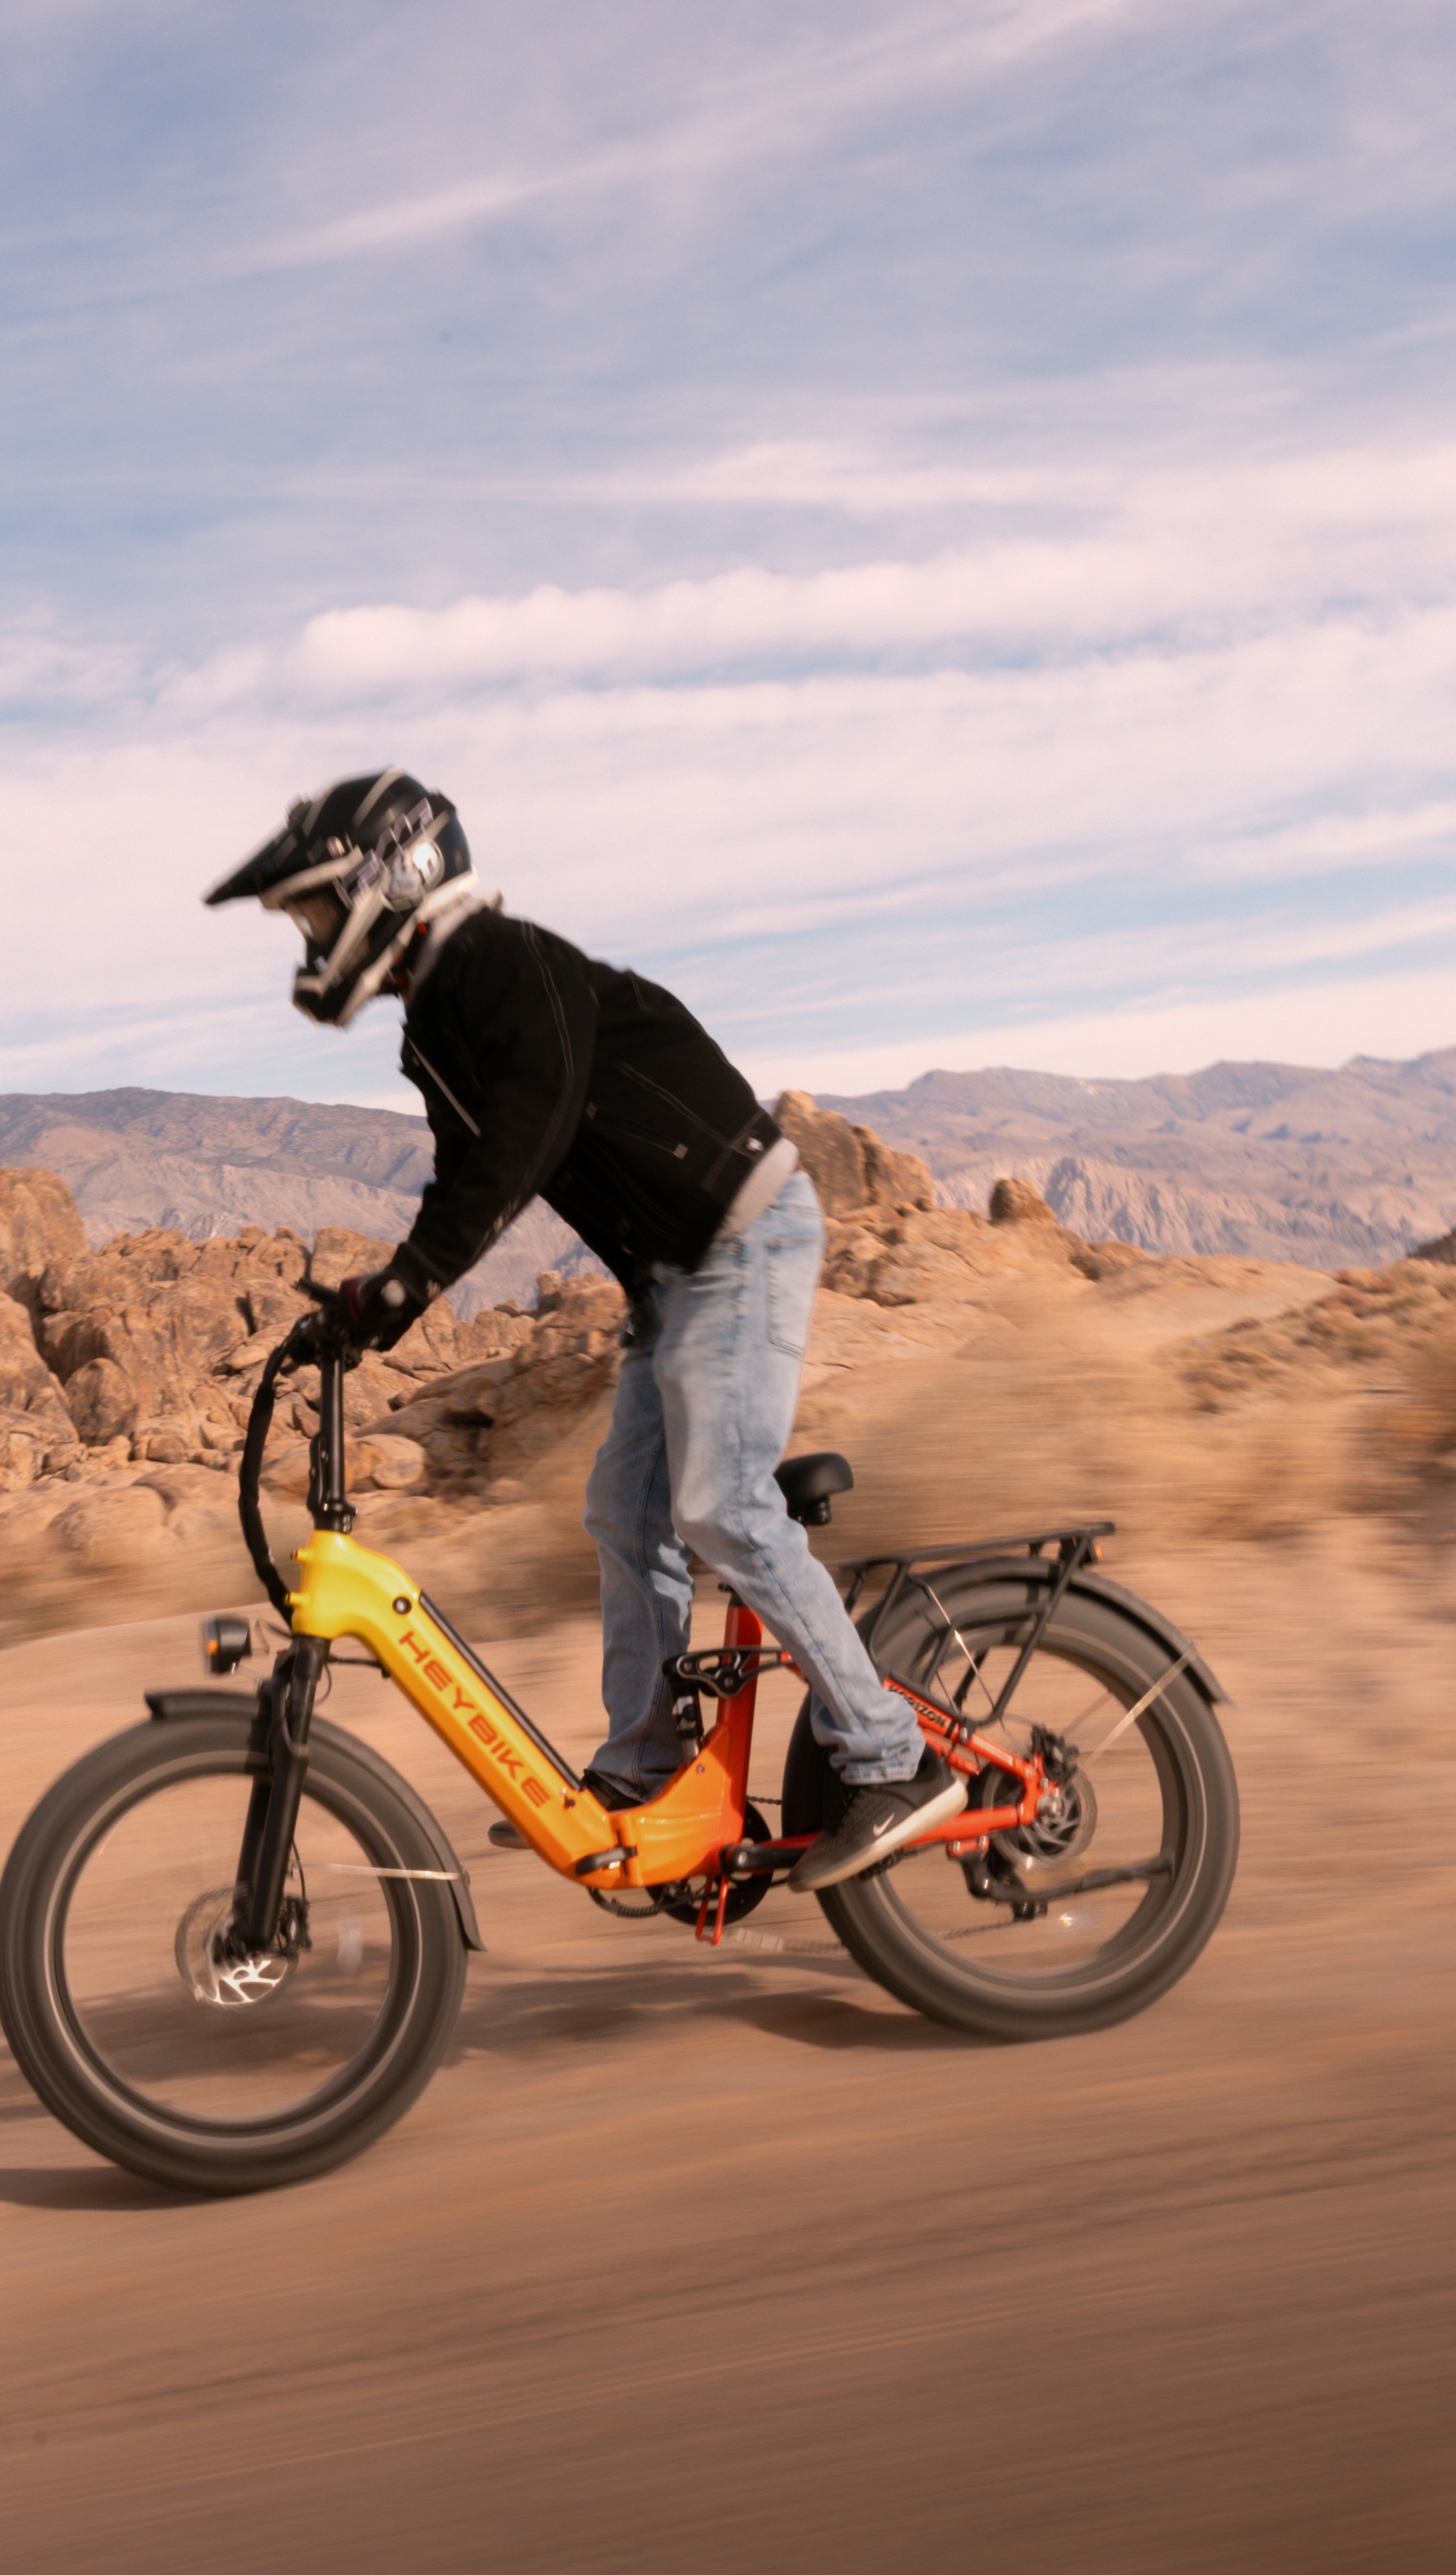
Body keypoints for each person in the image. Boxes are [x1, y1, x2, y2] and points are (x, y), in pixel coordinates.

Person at [206, 769, 958, 1893]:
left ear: (390, 880)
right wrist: (370, 1307)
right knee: (622, 1509)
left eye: (317, 909)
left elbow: (524, 1136)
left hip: (737, 1244)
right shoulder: (441, 1017)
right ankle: (650, 1767)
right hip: (674, 1279)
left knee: (723, 1505)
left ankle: (890, 1757)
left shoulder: (504, 965)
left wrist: (411, 1287)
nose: (312, 937)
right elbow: (468, 1174)